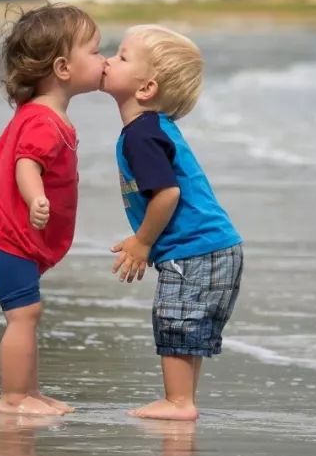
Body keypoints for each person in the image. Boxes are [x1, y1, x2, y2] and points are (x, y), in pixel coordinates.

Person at [0, 2, 105, 416]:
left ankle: (30, 391)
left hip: (2, 233)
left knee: (28, 313)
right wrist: (35, 198)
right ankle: (14, 398)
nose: (103, 60)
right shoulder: (44, 121)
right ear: (63, 68)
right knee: (24, 314)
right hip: (6, 237)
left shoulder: (46, 114)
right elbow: (27, 163)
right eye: (96, 52)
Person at [102, 24, 243, 421]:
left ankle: (179, 402)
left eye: (122, 57)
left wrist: (142, 243)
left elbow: (167, 194)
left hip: (196, 248)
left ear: (145, 88)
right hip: (213, 247)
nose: (110, 60)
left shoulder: (141, 134)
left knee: (175, 318)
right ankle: (183, 400)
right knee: (186, 322)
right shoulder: (149, 129)